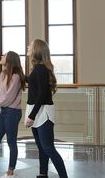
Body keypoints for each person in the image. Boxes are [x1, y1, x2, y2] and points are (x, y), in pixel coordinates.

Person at [24, 39, 68, 178]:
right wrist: (19, 74)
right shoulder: (37, 69)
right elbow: (34, 84)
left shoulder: (41, 69)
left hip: (43, 112)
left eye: (30, 45)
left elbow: (42, 94)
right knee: (42, 147)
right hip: (37, 109)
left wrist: (32, 115)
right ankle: (43, 174)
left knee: (48, 148)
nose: (28, 46)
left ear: (36, 49)